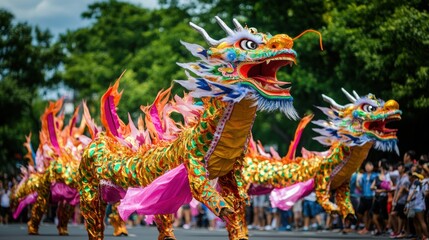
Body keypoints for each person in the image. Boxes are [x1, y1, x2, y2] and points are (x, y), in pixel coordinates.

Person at [370, 159, 392, 235]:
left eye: (379, 163)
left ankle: (388, 229)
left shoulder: (388, 176)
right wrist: (376, 189)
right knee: (374, 215)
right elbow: (371, 187)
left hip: (384, 198)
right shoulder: (378, 176)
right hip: (377, 198)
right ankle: (379, 230)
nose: (378, 165)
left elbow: (390, 188)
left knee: (384, 215)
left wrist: (381, 191)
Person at [406, 170, 429, 240]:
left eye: (412, 176)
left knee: (421, 221)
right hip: (413, 205)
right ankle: (420, 236)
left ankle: (427, 237)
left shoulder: (417, 183)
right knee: (415, 222)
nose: (409, 177)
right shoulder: (414, 184)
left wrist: (408, 199)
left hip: (419, 205)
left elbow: (416, 192)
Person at [390, 162, 411, 238]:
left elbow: (401, 191)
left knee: (399, 216)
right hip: (398, 200)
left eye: (400, 167)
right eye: (398, 166)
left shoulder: (406, 179)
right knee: (398, 216)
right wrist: (394, 199)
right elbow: (396, 190)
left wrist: (395, 201)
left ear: (403, 169)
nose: (398, 168)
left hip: (403, 200)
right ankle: (397, 231)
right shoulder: (399, 177)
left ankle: (399, 231)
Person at [357, 161, 378, 234]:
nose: (367, 167)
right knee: (362, 212)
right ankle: (365, 227)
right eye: (366, 166)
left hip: (372, 196)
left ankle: (368, 228)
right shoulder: (363, 176)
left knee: (370, 213)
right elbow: (359, 185)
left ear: (372, 167)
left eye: (369, 165)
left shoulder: (376, 175)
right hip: (364, 196)